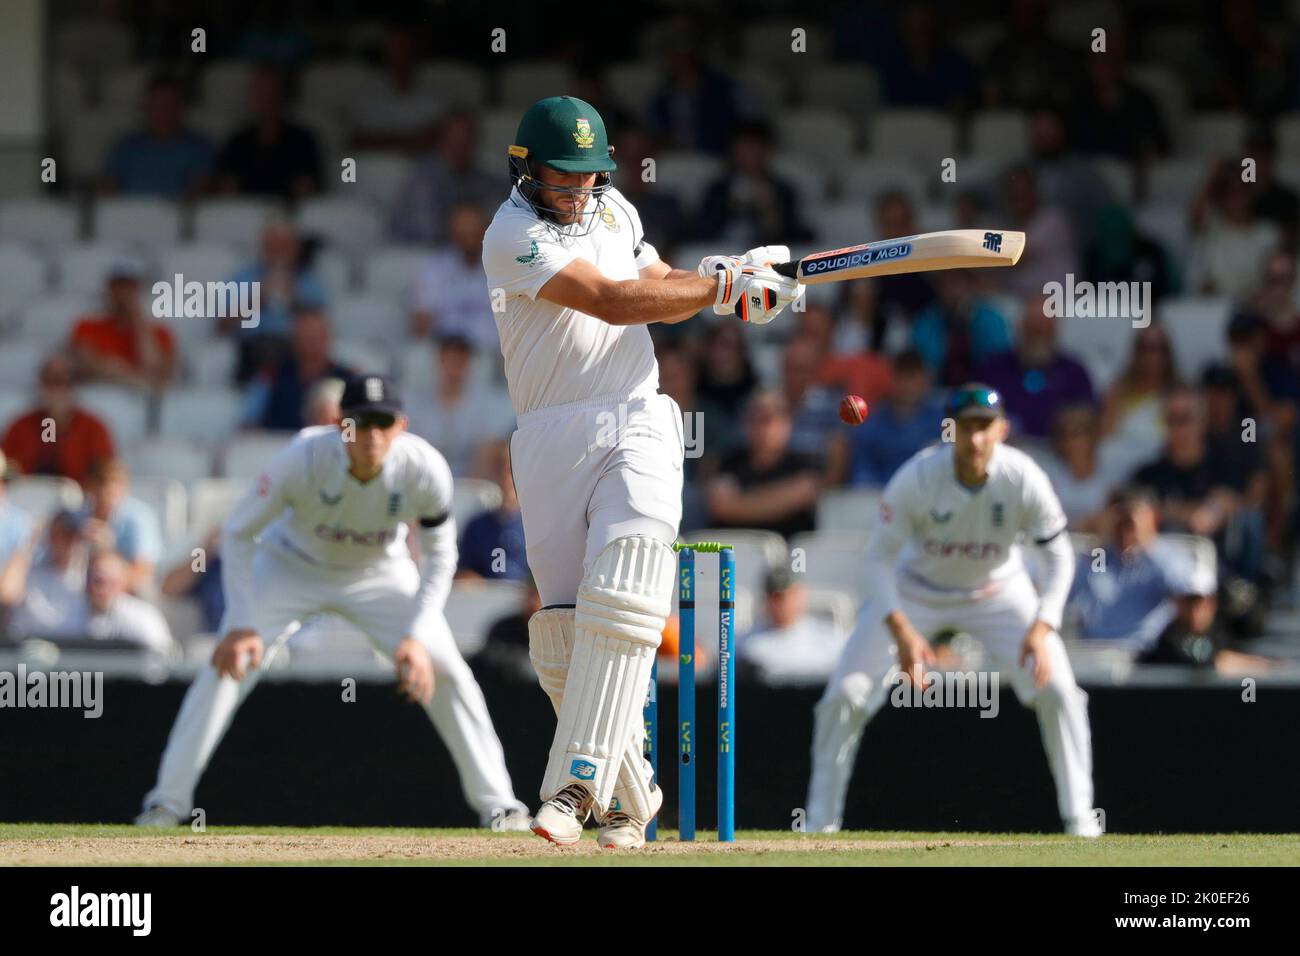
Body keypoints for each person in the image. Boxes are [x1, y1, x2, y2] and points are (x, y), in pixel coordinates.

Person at [480, 95, 800, 848]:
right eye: (564, 180)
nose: (580, 192)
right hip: (547, 438)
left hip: (637, 417)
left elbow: (654, 278)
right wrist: (721, 285)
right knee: (559, 635)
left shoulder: (613, 210)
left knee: (624, 592)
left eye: (590, 177)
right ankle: (636, 792)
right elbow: (616, 302)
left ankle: (570, 787)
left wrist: (732, 289)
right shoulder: (511, 234)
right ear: (524, 172)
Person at [136, 374, 531, 831]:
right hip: (290, 567)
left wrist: (417, 636)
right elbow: (238, 533)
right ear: (340, 424)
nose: (372, 435)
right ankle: (165, 804)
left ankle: (500, 806)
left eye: (383, 423)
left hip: (380, 572)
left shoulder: (424, 468)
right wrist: (242, 621)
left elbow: (442, 554)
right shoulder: (302, 458)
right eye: (360, 423)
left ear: (401, 425)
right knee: (225, 666)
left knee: (447, 669)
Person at [806, 384, 1098, 836]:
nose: (976, 439)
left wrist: (1043, 627)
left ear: (1002, 430)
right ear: (951, 431)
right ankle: (819, 826)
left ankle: (1081, 822)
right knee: (844, 696)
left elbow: (1060, 556)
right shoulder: (918, 477)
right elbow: (877, 559)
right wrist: (902, 631)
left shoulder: (1022, 477)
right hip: (915, 592)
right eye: (967, 428)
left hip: (1000, 591)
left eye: (985, 427)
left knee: (1060, 691)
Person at [1068, 488, 1217, 658]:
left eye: (1130, 522)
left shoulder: (1166, 555)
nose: (1125, 530)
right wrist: (1101, 538)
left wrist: (1145, 541)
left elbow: (1191, 591)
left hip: (1145, 652)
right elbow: (1079, 587)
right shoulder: (1101, 557)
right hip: (1095, 651)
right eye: (1120, 522)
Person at [706, 391, 823, 540]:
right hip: (734, 555)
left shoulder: (804, 464)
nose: (760, 427)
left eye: (767, 419)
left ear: (787, 423)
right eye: (753, 419)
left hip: (791, 557)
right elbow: (720, 507)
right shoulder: (728, 462)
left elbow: (803, 492)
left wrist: (739, 504)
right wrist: (777, 500)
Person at [976, 297, 1095, 441]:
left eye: (1043, 329)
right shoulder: (993, 368)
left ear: (1054, 331)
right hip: (1006, 447)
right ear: (1020, 328)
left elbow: (1088, 415)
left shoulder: (1073, 371)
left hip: (1057, 448)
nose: (1037, 335)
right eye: (1032, 328)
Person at [225, 220, 328, 383]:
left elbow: (319, 327)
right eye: (272, 246)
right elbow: (222, 327)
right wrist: (256, 299)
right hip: (254, 350)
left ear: (295, 248)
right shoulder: (244, 277)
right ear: (263, 248)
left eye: (283, 246)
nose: (278, 252)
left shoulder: (308, 280)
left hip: (295, 352)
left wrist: (295, 299)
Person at [12, 549, 174, 653]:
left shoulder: (142, 618)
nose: (99, 588)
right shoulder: (70, 613)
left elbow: (163, 658)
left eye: (107, 581)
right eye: (95, 580)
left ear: (122, 583)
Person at [404, 334, 514, 477]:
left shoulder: (486, 403)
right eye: (449, 360)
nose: (454, 367)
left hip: (472, 480)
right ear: (439, 361)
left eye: (460, 360)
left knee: (489, 448)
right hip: (428, 476)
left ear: (468, 364)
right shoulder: (418, 403)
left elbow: (492, 445)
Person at [1, 354, 115, 485]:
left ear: (73, 385)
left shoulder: (93, 428)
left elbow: (105, 476)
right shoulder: (20, 426)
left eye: (61, 380)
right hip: (27, 498)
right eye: (49, 380)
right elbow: (5, 472)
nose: (55, 388)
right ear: (40, 384)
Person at [697, 120, 812, 247]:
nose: (750, 155)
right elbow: (703, 231)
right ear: (733, 151)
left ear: (768, 151)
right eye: (745, 147)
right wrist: (729, 205)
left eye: (756, 148)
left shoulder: (783, 190)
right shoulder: (717, 189)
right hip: (721, 253)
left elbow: (792, 237)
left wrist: (769, 210)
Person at [390, 111, 498, 245]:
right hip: (419, 252)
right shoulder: (423, 177)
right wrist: (467, 229)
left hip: (466, 253)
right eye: (456, 138)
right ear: (441, 140)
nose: (461, 146)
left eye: (467, 139)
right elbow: (425, 230)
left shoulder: (481, 176)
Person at [214, 66, 322, 200]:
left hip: (288, 216)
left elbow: (308, 189)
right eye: (260, 91)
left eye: (271, 91)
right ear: (251, 96)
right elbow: (227, 188)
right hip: (245, 215)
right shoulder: (237, 142)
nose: (266, 98)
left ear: (282, 94)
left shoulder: (303, 140)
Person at [101, 74, 214, 199]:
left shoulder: (199, 149)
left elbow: (201, 193)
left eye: (169, 104)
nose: (163, 111)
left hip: (180, 217)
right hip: (130, 216)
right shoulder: (125, 148)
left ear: (181, 108)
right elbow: (108, 190)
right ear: (146, 107)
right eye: (157, 104)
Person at [69, 260, 178, 390]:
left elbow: (157, 369)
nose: (122, 294)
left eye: (128, 287)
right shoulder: (86, 327)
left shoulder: (161, 333)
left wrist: (139, 321)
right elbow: (88, 364)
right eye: (117, 287)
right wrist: (135, 379)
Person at [242, 307, 352, 432]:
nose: (311, 343)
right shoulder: (269, 377)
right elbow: (247, 426)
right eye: (305, 337)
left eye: (315, 337)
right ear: (294, 339)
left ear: (328, 338)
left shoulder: (350, 379)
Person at [848, 350, 944, 488]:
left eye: (913, 377)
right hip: (880, 497)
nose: (907, 385)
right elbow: (862, 472)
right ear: (892, 380)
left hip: (928, 497)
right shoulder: (872, 425)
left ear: (925, 380)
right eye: (902, 377)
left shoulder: (941, 422)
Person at [410, 203, 499, 350]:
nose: (468, 235)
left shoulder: (505, 271)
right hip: (446, 354)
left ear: (487, 230)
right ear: (452, 232)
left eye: (473, 229)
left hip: (492, 354)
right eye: (462, 230)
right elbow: (421, 323)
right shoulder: (434, 268)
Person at [738, 567, 846, 686]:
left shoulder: (832, 641)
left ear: (801, 594)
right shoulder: (745, 645)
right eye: (774, 596)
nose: (781, 603)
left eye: (786, 595)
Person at [77, 458, 163, 595]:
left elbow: (143, 571)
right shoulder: (78, 515)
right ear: (89, 487)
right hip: (86, 592)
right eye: (99, 485)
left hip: (125, 593)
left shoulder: (139, 517)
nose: (105, 493)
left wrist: (107, 552)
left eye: (113, 485)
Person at [4, 509, 89, 637]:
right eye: (64, 535)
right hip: (30, 646)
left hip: (74, 649)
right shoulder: (31, 569)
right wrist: (30, 540)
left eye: (76, 536)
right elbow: (7, 593)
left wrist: (103, 545)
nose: (71, 542)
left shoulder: (89, 572)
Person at [456, 439, 528, 582]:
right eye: (501, 469)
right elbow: (463, 574)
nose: (507, 479)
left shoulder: (538, 525)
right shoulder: (477, 527)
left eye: (512, 470)